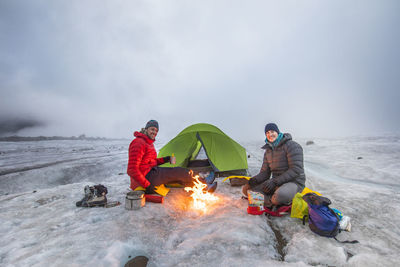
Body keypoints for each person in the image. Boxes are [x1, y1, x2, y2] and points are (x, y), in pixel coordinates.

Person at [127, 120, 217, 194]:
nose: (154, 132)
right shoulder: (138, 143)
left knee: (178, 176)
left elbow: (152, 161)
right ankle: (205, 183)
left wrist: (167, 159)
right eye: (152, 129)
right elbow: (132, 170)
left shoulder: (147, 143)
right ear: (146, 129)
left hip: (150, 172)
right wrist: (147, 185)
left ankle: (202, 187)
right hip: (146, 178)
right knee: (179, 171)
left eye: (156, 131)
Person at [242, 123, 305, 208]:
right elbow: (265, 173)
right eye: (267, 133)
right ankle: (271, 200)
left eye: (272, 131)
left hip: (294, 182)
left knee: (279, 196)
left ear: (278, 132)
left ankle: (271, 200)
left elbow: (296, 169)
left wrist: (274, 182)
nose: (270, 134)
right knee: (246, 189)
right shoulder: (268, 151)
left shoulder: (292, 146)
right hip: (276, 183)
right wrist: (254, 180)